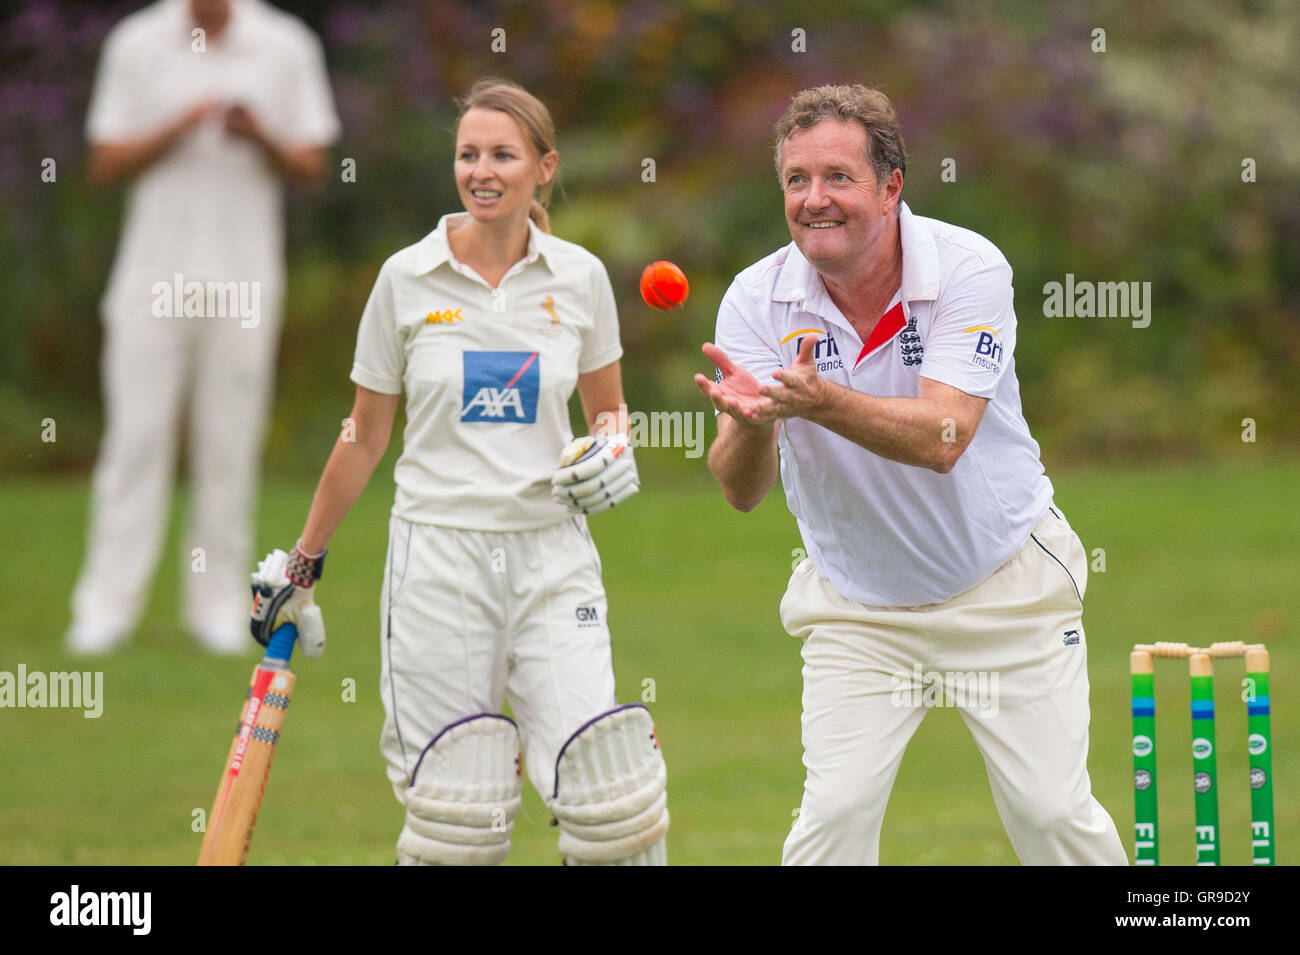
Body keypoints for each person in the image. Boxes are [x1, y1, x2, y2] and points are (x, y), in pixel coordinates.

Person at [694, 83, 1127, 865]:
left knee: (1052, 815)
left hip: (1004, 587)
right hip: (859, 610)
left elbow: (945, 435)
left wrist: (818, 400)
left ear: (891, 187)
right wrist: (757, 427)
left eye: (837, 178)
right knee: (833, 818)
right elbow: (739, 487)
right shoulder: (757, 298)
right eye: (796, 180)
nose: (813, 200)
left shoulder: (967, 269)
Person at [247, 78, 669, 866]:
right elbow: (364, 436)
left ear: (543, 168)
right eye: (468, 154)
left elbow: (610, 412)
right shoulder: (406, 279)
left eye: (503, 155)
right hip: (438, 563)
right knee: (456, 818)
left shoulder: (578, 278)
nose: (482, 170)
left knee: (610, 799)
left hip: (552, 557)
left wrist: (614, 448)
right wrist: (302, 565)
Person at [70, 0, 340, 654]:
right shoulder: (136, 41)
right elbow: (102, 162)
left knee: (229, 444)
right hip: (150, 277)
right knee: (136, 440)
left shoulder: (284, 44)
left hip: (245, 279)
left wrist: (258, 136)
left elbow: (313, 164)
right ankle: (106, 607)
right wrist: (181, 124)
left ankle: (219, 605)